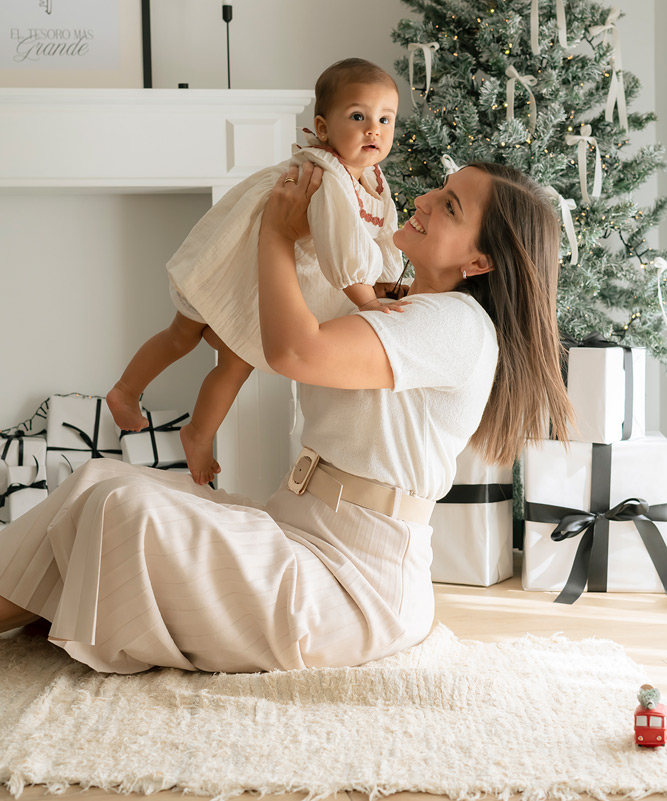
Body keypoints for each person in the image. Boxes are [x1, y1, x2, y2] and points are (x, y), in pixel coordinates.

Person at [0, 159, 572, 675]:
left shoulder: (456, 325)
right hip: (294, 528)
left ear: (480, 260)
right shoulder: (391, 300)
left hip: (354, 586)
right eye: (440, 189)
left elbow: (295, 351)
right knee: (101, 480)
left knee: (123, 510)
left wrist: (276, 232)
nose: (424, 199)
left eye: (450, 205)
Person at [106, 58, 405, 486]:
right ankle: (125, 389)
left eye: (385, 119)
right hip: (237, 265)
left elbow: (383, 236)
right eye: (358, 116)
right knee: (182, 333)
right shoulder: (328, 176)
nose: (373, 129)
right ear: (323, 128)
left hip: (268, 279)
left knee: (237, 362)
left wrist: (389, 280)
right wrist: (369, 302)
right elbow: (343, 252)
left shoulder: (373, 180)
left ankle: (198, 434)